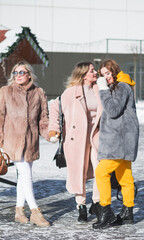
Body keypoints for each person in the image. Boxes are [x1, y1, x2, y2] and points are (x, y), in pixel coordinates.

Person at [0, 60, 50, 227]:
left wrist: (49, 134)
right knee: (25, 174)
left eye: (21, 72)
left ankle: (19, 210)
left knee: (24, 176)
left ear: (29, 74)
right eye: (15, 73)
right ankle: (35, 212)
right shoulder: (5, 92)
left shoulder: (39, 93)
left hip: (30, 142)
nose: (17, 75)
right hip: (12, 141)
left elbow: (43, 119)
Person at [48, 61, 102, 222]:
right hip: (76, 138)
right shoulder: (70, 92)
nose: (95, 72)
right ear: (84, 74)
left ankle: (97, 203)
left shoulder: (100, 90)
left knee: (101, 170)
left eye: (94, 70)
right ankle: (81, 206)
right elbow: (55, 108)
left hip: (96, 136)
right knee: (79, 172)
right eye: (92, 70)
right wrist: (54, 129)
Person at [93, 59, 139, 229]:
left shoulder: (122, 87)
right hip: (123, 139)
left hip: (119, 140)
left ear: (114, 71)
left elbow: (113, 111)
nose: (105, 77)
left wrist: (103, 90)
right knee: (125, 177)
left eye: (107, 73)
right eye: (102, 74)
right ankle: (128, 212)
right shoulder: (120, 86)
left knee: (101, 172)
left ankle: (106, 212)